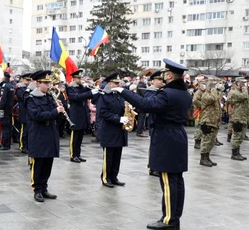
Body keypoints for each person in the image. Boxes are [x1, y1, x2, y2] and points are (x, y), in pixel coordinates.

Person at [110, 58, 192, 229]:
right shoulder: (183, 93)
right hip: (178, 136)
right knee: (177, 179)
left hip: (166, 138)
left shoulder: (168, 94)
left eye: (165, 75)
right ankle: (174, 216)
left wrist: (122, 91)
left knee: (168, 180)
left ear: (169, 75)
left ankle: (169, 220)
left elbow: (146, 104)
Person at [25, 70, 61, 202]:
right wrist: (55, 111)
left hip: (50, 133)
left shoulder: (50, 97)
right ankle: (37, 189)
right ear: (37, 83)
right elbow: (36, 116)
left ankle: (44, 187)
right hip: (38, 134)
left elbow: (55, 115)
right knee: (38, 163)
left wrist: (61, 110)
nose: (48, 85)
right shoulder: (31, 98)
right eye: (45, 83)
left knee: (48, 163)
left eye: (49, 82)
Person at [96, 73, 128, 188]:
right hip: (109, 130)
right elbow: (103, 113)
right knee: (108, 157)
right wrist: (119, 119)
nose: (118, 84)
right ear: (109, 84)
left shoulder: (119, 95)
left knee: (117, 156)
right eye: (116, 83)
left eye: (119, 83)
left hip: (119, 130)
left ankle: (114, 177)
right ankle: (105, 178)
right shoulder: (104, 96)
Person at [68, 69, 99, 163]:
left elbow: (90, 97)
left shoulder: (82, 87)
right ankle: (73, 155)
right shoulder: (70, 88)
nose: (80, 79)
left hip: (83, 113)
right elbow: (76, 97)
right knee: (75, 136)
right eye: (78, 78)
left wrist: (91, 89)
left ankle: (78, 154)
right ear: (73, 78)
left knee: (80, 136)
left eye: (80, 78)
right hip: (76, 114)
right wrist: (89, 92)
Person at [228, 77, 249, 160]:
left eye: (244, 83)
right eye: (242, 82)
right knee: (236, 135)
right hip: (237, 116)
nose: (244, 84)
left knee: (241, 135)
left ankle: (238, 152)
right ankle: (234, 153)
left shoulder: (242, 91)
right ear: (237, 83)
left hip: (244, 116)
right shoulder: (234, 92)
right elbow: (244, 96)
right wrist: (244, 88)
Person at [15, 73, 32, 154]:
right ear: (23, 79)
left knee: (29, 131)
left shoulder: (30, 89)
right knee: (24, 131)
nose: (28, 82)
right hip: (23, 111)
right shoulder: (20, 88)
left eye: (30, 80)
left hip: (29, 112)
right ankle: (22, 146)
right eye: (27, 80)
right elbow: (24, 97)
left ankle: (28, 145)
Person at [0, 72, 15, 150]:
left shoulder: (5, 86)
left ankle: (5, 144)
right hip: (10, 109)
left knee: (5, 128)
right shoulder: (11, 86)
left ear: (4, 77)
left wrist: (0, 108)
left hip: (4, 110)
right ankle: (8, 144)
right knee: (8, 128)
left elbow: (3, 99)